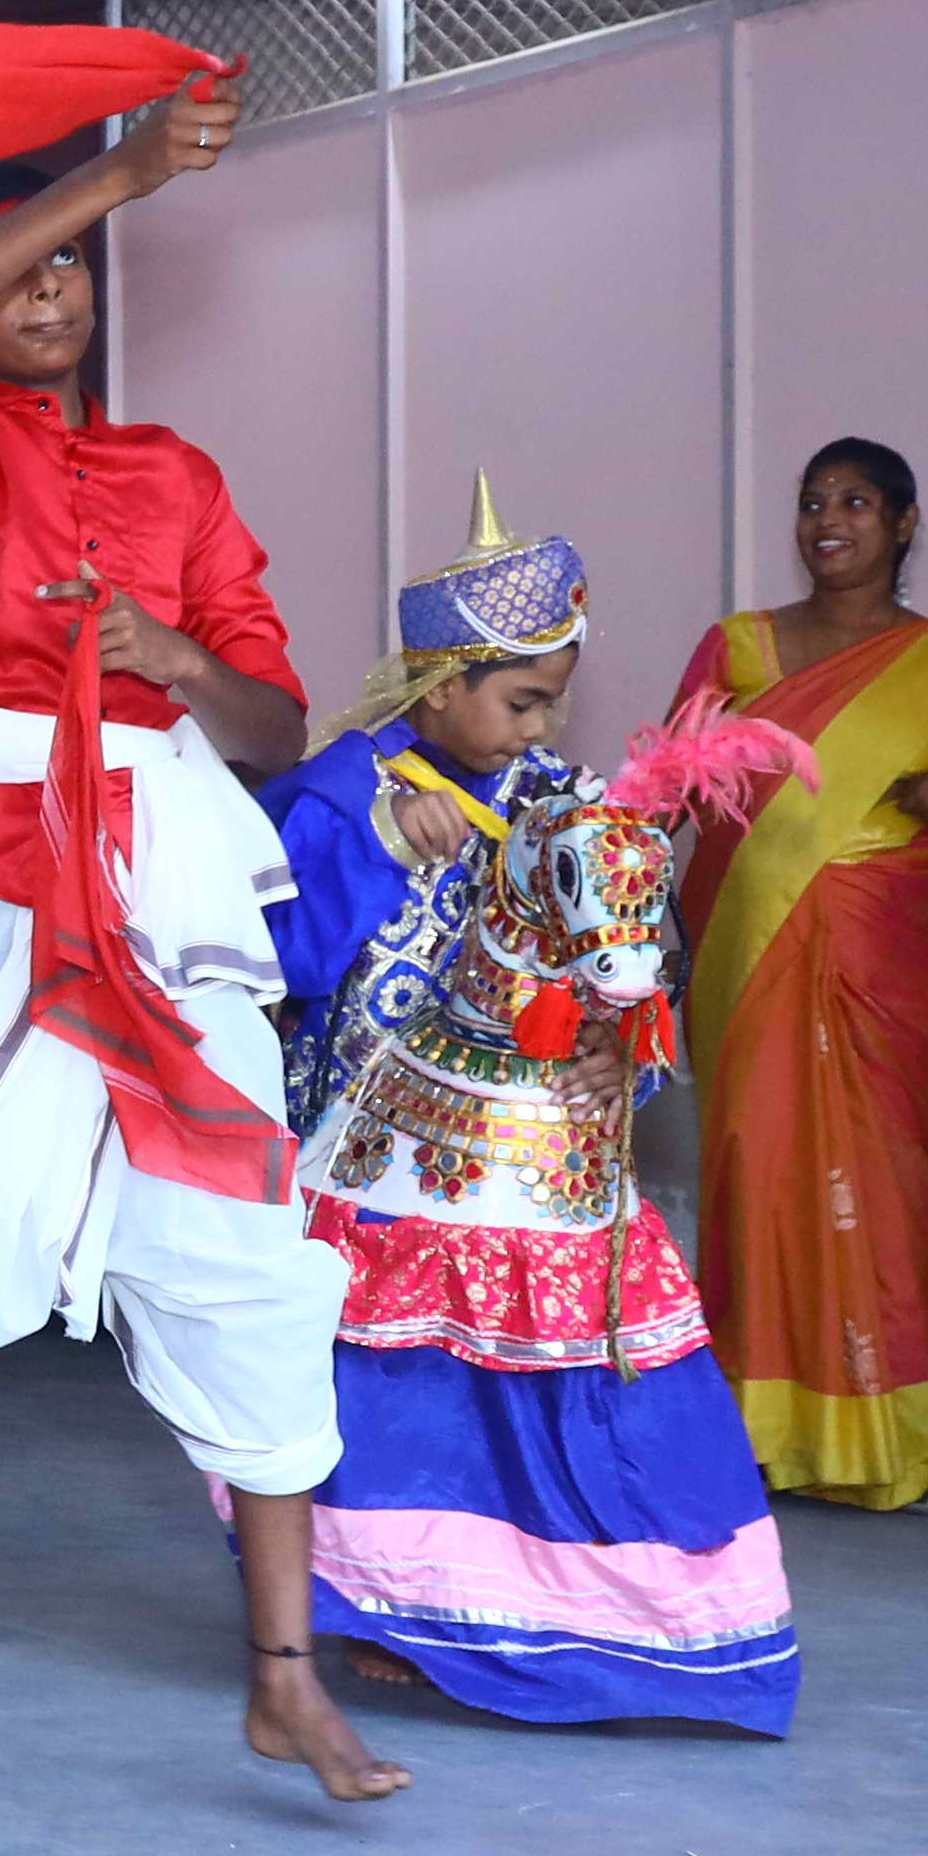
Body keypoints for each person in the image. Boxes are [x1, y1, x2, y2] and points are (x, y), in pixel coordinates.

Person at [0, 97, 402, 1797]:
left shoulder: (177, 478)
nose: (57, 289)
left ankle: (283, 1675)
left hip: (167, 869)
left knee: (244, 1251)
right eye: (23, 268)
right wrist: (117, 174)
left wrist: (177, 660)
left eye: (76, 266)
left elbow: (277, 727)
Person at [267, 502, 801, 1730]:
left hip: (539, 1159)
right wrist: (385, 845)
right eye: (521, 702)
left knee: (576, 1373)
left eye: (554, 702)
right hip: (376, 1158)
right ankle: (395, 1605)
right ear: (442, 683)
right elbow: (280, 960)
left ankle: (599, 1605)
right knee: (408, 1394)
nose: (543, 727)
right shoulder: (344, 792)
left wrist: (625, 1046)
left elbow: (632, 948)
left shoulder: (560, 800)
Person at [659, 440, 928, 1514]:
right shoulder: (741, 646)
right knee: (756, 1170)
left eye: (854, 502)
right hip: (751, 946)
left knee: (896, 1183)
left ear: (904, 523)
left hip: (896, 954)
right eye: (812, 502)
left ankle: (907, 1446)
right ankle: (753, 1435)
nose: (827, 521)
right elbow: (669, 784)